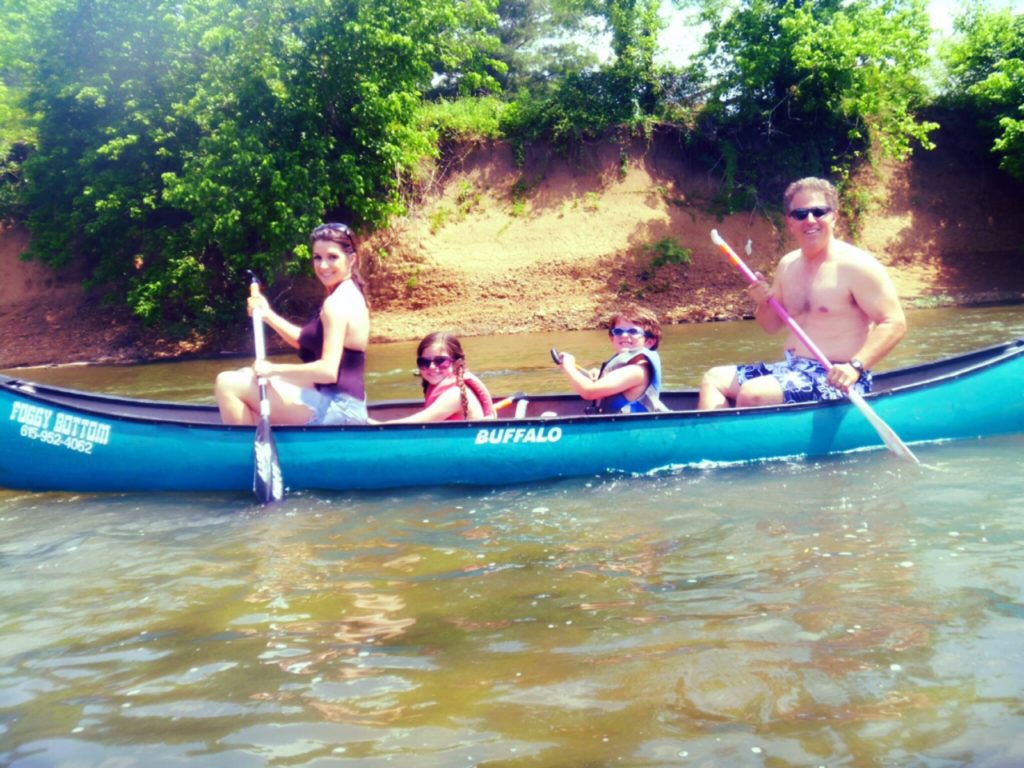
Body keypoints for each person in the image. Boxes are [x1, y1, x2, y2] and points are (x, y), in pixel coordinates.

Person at [697, 177, 907, 410]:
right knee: (713, 379)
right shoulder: (788, 264)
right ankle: (716, 442)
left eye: (819, 212)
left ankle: (739, 441)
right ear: (790, 222)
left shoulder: (857, 266)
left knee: (754, 393)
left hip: (839, 376)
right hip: (793, 368)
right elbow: (771, 326)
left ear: (834, 216)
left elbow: (894, 323)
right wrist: (763, 303)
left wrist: (855, 366)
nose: (810, 220)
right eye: (800, 214)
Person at [214, 222, 370, 425]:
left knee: (228, 383)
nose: (323, 266)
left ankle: (246, 450)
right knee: (247, 375)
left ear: (351, 259)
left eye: (332, 257)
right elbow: (305, 343)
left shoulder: (337, 303)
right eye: (317, 257)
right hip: (340, 399)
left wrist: (273, 369)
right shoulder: (347, 293)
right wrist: (267, 315)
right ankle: (257, 441)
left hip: (341, 409)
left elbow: (328, 372)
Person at [557, 305, 668, 414]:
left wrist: (569, 367)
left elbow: (589, 391)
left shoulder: (637, 370)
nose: (624, 335)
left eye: (633, 332)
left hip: (628, 430)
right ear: (612, 338)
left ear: (649, 342)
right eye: (618, 332)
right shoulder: (629, 366)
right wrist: (601, 376)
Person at [375, 332, 496, 423]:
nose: (432, 367)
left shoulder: (455, 395)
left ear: (457, 363)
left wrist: (373, 424)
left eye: (441, 361)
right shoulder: (444, 389)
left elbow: (415, 424)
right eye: (424, 362)